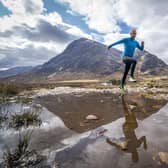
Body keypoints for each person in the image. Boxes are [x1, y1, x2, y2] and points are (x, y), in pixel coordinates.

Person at [108, 29, 144, 93]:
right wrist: (110, 45)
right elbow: (117, 42)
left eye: (135, 33)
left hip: (130, 59)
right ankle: (131, 77)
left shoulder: (136, 42)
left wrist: (142, 44)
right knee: (135, 61)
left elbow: (141, 49)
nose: (134, 34)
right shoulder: (126, 40)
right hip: (125, 58)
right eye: (133, 33)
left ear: (136, 35)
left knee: (125, 73)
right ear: (130, 34)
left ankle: (121, 86)